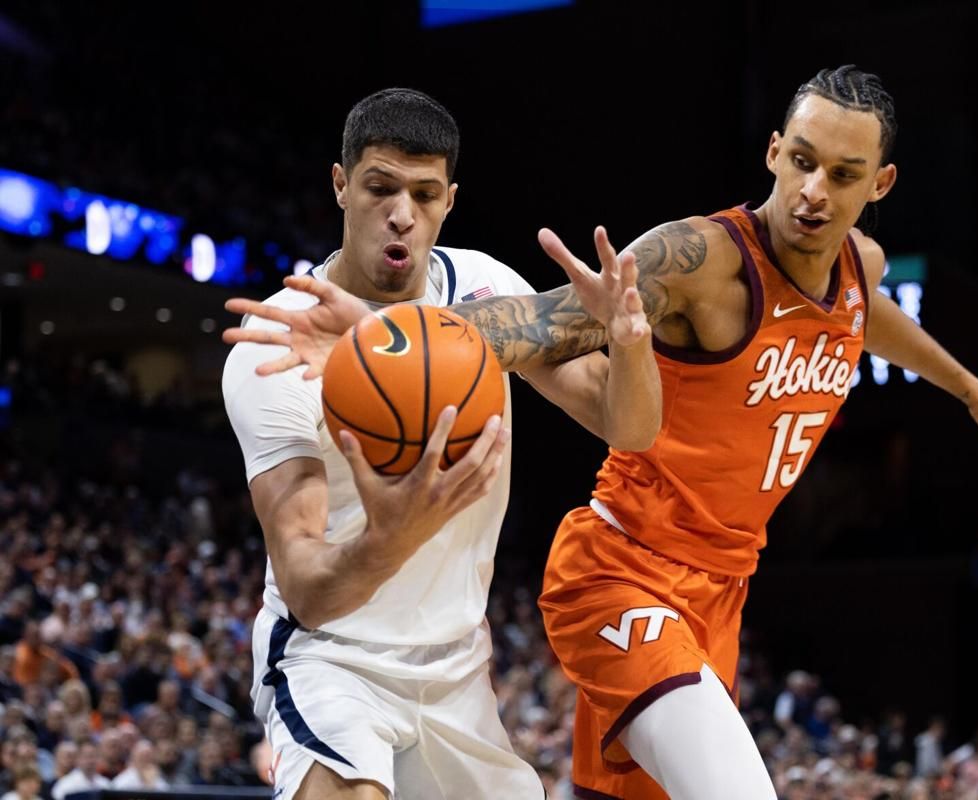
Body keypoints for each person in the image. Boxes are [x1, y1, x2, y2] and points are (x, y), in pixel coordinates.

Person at [227, 66, 978, 800]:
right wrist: (384, 337)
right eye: (802, 161)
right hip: (620, 574)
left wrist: (969, 387)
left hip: (681, 602)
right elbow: (539, 324)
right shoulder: (700, 260)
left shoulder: (856, 269)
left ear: (879, 183)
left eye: (842, 174)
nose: (814, 191)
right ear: (773, 152)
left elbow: (859, 317)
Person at [221, 88, 659, 800]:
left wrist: (630, 340)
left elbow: (628, 426)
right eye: (380, 188)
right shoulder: (279, 342)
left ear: (449, 200)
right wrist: (393, 534)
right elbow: (306, 588)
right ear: (340, 184)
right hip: (332, 659)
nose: (402, 213)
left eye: (424, 194)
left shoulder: (485, 289)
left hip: (458, 668)